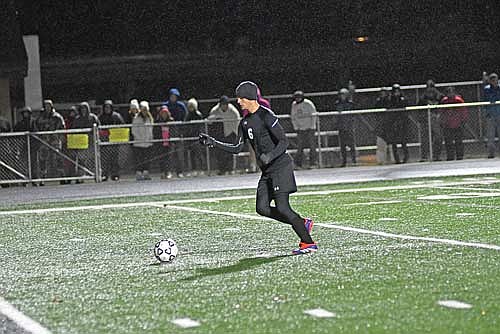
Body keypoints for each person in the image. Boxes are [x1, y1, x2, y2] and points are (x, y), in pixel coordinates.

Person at [199, 81, 317, 255]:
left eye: (240, 98)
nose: (238, 102)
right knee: (262, 208)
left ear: (249, 98)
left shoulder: (266, 116)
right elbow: (238, 148)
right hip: (267, 171)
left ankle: (308, 243)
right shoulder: (244, 123)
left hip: (280, 167)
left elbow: (283, 142)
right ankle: (301, 222)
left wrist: (270, 156)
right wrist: (213, 143)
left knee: (283, 207)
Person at [34, 99, 65, 184]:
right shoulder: (40, 117)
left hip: (55, 140)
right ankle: (43, 177)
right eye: (46, 106)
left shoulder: (57, 117)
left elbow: (62, 127)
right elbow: (36, 127)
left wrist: (59, 137)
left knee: (59, 157)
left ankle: (62, 176)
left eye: (49, 106)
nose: (47, 108)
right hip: (44, 140)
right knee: (42, 159)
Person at [208, 95, 241, 174]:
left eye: (225, 104)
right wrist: (216, 117)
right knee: (220, 151)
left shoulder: (233, 111)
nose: (224, 106)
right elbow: (209, 121)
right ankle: (222, 169)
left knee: (230, 151)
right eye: (222, 104)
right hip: (220, 133)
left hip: (231, 133)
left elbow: (237, 123)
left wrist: (236, 134)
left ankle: (230, 169)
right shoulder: (215, 110)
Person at [71, 102, 100, 183]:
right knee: (81, 160)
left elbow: (98, 128)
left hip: (92, 142)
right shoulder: (77, 119)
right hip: (81, 143)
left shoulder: (93, 117)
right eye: (82, 108)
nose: (83, 110)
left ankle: (96, 175)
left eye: (85, 108)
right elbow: (74, 131)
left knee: (94, 159)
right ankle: (80, 177)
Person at [417, 80, 444, 161]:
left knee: (438, 137)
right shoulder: (423, 98)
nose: (430, 89)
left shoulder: (440, 96)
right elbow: (419, 110)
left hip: (436, 119)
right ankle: (424, 157)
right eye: (429, 87)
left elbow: (444, 106)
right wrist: (420, 119)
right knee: (425, 138)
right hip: (426, 119)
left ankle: (436, 156)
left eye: (432, 87)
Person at [439, 87, 468, 160]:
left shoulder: (459, 100)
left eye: (451, 92)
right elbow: (441, 112)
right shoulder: (444, 101)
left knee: (459, 141)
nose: (450, 94)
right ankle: (450, 156)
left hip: (458, 124)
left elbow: (463, 111)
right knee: (448, 142)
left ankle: (459, 156)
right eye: (448, 92)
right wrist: (442, 122)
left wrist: (463, 121)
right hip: (447, 125)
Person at [290, 90, 317, 168]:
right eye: (296, 98)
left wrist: (312, 126)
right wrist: (296, 127)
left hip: (309, 128)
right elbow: (293, 117)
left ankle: (313, 163)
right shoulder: (294, 105)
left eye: (299, 98)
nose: (297, 99)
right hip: (300, 129)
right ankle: (298, 164)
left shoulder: (308, 103)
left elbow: (313, 114)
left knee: (312, 146)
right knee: (300, 146)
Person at [98, 100, 125, 181]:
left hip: (114, 141)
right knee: (104, 160)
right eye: (106, 107)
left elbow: (122, 126)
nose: (107, 109)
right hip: (104, 142)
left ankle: (115, 174)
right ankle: (104, 174)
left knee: (114, 159)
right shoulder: (100, 117)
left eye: (109, 107)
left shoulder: (116, 116)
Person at [166, 88, 188, 177]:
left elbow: (185, 116)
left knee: (180, 154)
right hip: (168, 133)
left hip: (178, 132)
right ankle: (169, 171)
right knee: (169, 154)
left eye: (175, 96)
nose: (173, 98)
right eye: (172, 96)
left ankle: (180, 172)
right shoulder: (166, 105)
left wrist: (181, 125)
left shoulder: (181, 105)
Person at [386, 84, 409, 164]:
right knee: (394, 141)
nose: (396, 92)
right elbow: (389, 106)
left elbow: (405, 104)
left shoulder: (402, 98)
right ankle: (397, 159)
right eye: (395, 91)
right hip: (393, 122)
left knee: (403, 140)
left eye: (398, 90)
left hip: (402, 121)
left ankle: (406, 157)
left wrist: (399, 98)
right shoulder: (390, 99)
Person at [131, 101, 154, 181]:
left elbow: (151, 129)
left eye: (146, 109)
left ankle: (146, 172)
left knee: (147, 158)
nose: (145, 111)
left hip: (147, 143)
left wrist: (150, 139)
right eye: (143, 109)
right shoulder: (136, 118)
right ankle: (139, 173)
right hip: (138, 143)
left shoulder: (149, 118)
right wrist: (140, 138)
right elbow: (134, 130)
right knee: (139, 158)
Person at [334, 88, 356, 167]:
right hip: (341, 126)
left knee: (351, 144)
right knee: (342, 145)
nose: (342, 96)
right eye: (341, 95)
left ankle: (354, 160)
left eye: (344, 95)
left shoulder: (350, 103)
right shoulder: (337, 104)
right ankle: (344, 161)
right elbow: (336, 115)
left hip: (349, 126)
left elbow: (353, 114)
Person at [185, 98, 206, 175]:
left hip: (197, 137)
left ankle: (202, 169)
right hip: (190, 137)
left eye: (192, 106)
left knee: (199, 154)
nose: (191, 108)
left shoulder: (198, 115)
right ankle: (193, 169)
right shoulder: (187, 115)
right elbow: (186, 126)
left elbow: (200, 126)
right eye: (189, 106)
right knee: (192, 155)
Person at [154, 105, 175, 179]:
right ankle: (162, 172)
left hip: (169, 143)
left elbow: (174, 131)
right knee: (161, 158)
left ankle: (168, 172)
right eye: (163, 113)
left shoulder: (171, 120)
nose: (164, 114)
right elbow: (156, 132)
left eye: (165, 113)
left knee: (168, 158)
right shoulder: (157, 121)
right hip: (161, 142)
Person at [483, 73, 500, 158]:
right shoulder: (487, 89)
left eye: (495, 79)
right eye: (492, 79)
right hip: (490, 115)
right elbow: (488, 99)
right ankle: (491, 153)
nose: (494, 81)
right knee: (490, 135)